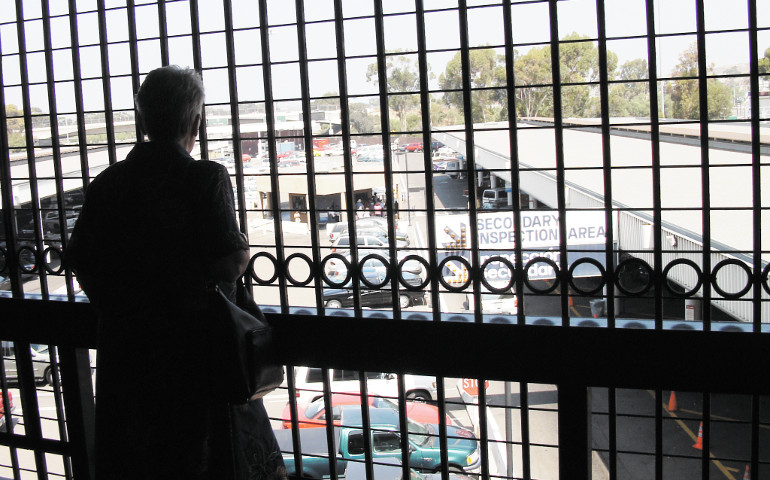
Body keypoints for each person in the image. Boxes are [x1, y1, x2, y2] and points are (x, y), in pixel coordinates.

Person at [66, 66, 285, 480]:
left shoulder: (109, 183)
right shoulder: (204, 177)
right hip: (195, 360)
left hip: (127, 356)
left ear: (144, 118)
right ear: (196, 122)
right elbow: (230, 260)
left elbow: (81, 258)